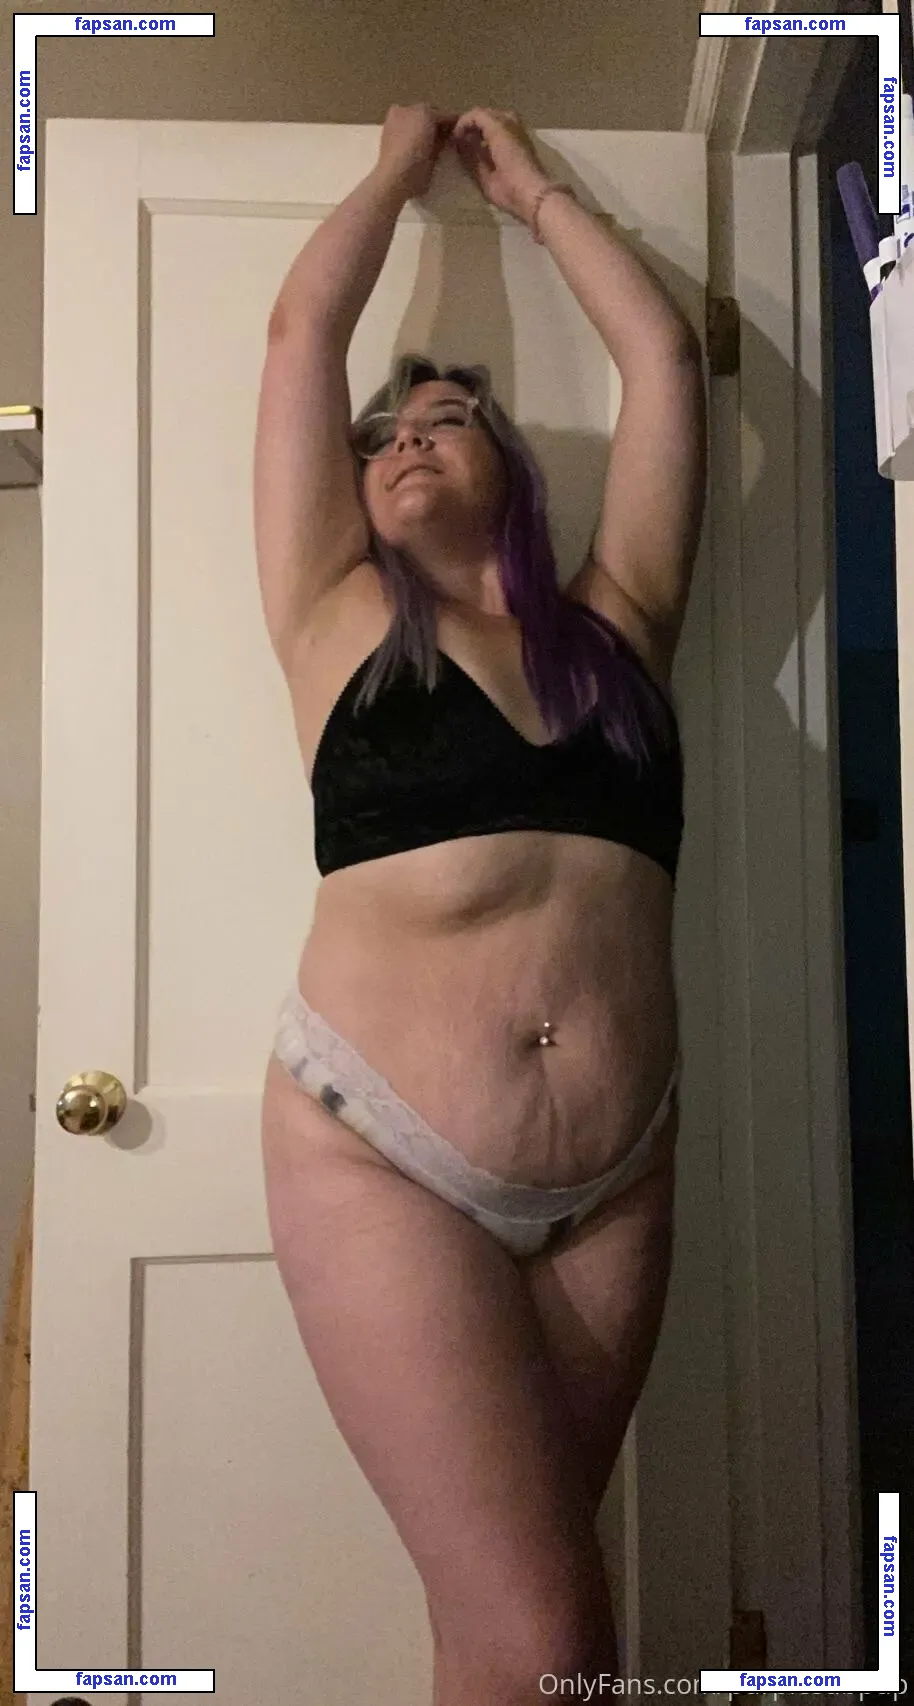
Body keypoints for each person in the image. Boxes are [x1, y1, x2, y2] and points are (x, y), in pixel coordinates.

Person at [255, 102, 707, 1705]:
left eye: (445, 419)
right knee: (555, 1643)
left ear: (512, 471)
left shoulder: (619, 622)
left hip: (618, 1170)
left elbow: (662, 362)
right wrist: (396, 169)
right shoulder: (329, 623)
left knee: (517, 1635)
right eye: (380, 435)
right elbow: (302, 337)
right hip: (382, 1155)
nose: (402, 442)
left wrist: (533, 195)